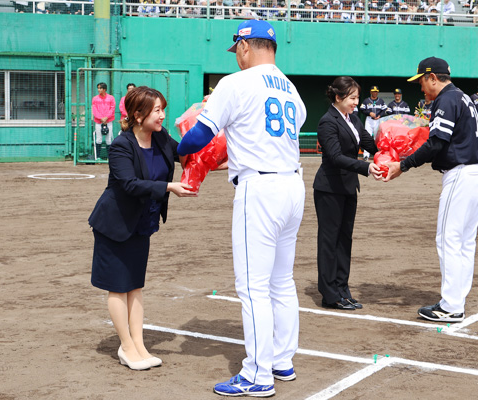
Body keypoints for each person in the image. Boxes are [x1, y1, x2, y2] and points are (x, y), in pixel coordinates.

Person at [177, 20, 307, 397]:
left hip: (260, 189)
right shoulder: (292, 89)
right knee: (281, 281)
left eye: (237, 50)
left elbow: (201, 135)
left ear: (247, 46)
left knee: (252, 287)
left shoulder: (235, 84)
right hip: (290, 183)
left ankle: (257, 375)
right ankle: (282, 360)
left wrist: (177, 149)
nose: (236, 57)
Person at [89, 86, 195, 371]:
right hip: (115, 225)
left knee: (135, 286)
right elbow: (129, 184)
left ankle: (139, 345)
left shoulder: (161, 138)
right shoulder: (122, 145)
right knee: (117, 287)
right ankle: (126, 346)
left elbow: (185, 154)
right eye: (157, 110)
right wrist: (169, 187)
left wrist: (206, 127)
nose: (162, 116)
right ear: (138, 115)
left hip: (142, 224)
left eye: (163, 109)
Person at [381, 57, 478, 322]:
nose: (420, 88)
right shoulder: (462, 96)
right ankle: (457, 300)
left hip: (461, 174)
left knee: (448, 239)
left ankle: (451, 305)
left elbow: (437, 143)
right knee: (464, 242)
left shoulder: (446, 99)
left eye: (421, 81)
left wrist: (403, 165)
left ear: (432, 77)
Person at [314, 77, 381, 312]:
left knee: (344, 241)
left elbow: (369, 143)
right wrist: (365, 167)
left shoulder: (353, 119)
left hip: (348, 188)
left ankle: (343, 289)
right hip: (329, 189)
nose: (357, 103)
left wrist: (392, 151)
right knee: (329, 242)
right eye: (352, 98)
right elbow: (334, 156)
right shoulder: (327, 122)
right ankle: (330, 294)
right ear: (338, 97)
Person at [359, 85, 387, 160]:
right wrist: (369, 113)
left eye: (376, 92)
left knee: (377, 137)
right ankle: (366, 155)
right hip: (369, 120)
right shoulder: (366, 100)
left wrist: (380, 115)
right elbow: (362, 109)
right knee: (366, 137)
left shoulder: (381, 101)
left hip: (377, 120)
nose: (375, 93)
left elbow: (385, 110)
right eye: (373, 91)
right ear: (371, 92)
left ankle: (377, 154)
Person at [92, 82, 116, 159]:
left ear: (104, 89)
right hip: (98, 122)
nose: (99, 90)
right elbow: (94, 110)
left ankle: (109, 157)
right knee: (99, 139)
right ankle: (98, 157)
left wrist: (106, 117)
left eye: (100, 88)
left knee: (108, 139)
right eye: (98, 88)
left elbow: (112, 108)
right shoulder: (95, 98)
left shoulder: (111, 98)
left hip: (108, 121)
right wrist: (101, 118)